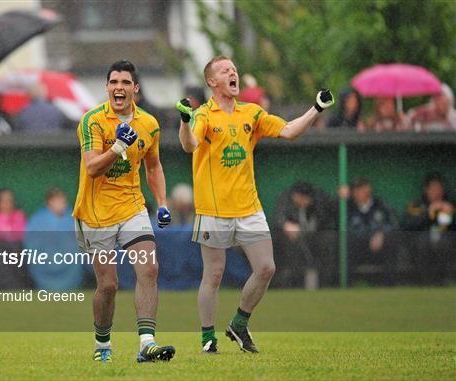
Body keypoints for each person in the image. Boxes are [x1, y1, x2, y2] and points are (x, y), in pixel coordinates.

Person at [175, 55, 334, 354]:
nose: (233, 73)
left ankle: (238, 323)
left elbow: (288, 131)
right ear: (212, 81)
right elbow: (189, 145)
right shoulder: (203, 116)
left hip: (248, 207)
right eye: (225, 71)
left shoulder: (251, 113)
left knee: (266, 268)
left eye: (234, 69)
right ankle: (208, 338)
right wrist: (185, 120)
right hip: (213, 209)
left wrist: (316, 108)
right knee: (214, 274)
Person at [73, 60, 175, 363]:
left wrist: (163, 203)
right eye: (114, 82)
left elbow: (153, 166)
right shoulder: (91, 121)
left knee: (149, 269)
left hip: (132, 206)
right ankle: (102, 345)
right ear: (107, 88)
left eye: (126, 82)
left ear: (136, 89)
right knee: (108, 285)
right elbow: (92, 169)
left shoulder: (149, 124)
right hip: (95, 212)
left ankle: (147, 344)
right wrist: (117, 147)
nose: (119, 87)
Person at [272, 181, 338, 288]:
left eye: (302, 198)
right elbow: (278, 217)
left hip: (316, 237)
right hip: (292, 240)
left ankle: (327, 283)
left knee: (330, 239)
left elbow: (328, 216)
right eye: (296, 196)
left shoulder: (319, 199)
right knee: (283, 242)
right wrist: (286, 225)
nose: (297, 199)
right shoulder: (286, 197)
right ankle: (290, 283)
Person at [25, 188, 84, 291]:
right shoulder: (37, 219)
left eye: (63, 201)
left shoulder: (72, 218)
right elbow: (31, 243)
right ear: (49, 202)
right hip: (45, 259)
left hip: (71, 260)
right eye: (58, 201)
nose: (62, 204)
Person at [403, 172, 455, 284]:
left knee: (446, 242)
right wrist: (428, 212)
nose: (436, 191)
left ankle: (447, 280)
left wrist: (451, 214)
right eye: (433, 188)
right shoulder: (416, 206)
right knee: (423, 241)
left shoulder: (451, 204)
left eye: (439, 188)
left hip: (447, 242)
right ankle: (426, 282)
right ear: (426, 189)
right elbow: (407, 225)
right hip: (421, 244)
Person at [347, 177, 399, 284]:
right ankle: (347, 285)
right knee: (348, 241)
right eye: (355, 190)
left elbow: (394, 224)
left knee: (391, 240)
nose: (357, 193)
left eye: (361, 189)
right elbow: (346, 227)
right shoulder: (348, 207)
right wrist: (368, 237)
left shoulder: (381, 205)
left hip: (380, 249)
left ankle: (388, 286)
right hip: (359, 250)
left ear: (368, 189)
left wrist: (381, 234)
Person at [0, 188, 28, 289]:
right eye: (3, 200)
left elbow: (20, 234)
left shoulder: (18, 215)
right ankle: (2, 284)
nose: (6, 203)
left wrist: (6, 234)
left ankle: (12, 285)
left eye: (9, 200)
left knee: (13, 248)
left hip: (15, 248)